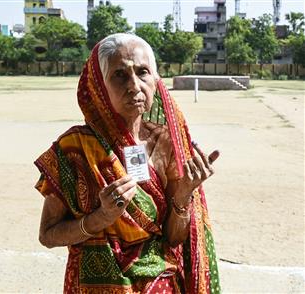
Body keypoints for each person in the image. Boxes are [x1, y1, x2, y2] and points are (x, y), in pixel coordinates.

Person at [34, 33, 221, 294]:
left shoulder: (167, 144)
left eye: (142, 72)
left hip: (159, 284)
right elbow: (48, 235)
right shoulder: (75, 149)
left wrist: (184, 193)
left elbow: (173, 238)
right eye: (119, 75)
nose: (134, 85)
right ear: (100, 86)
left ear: (156, 82)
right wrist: (101, 218)